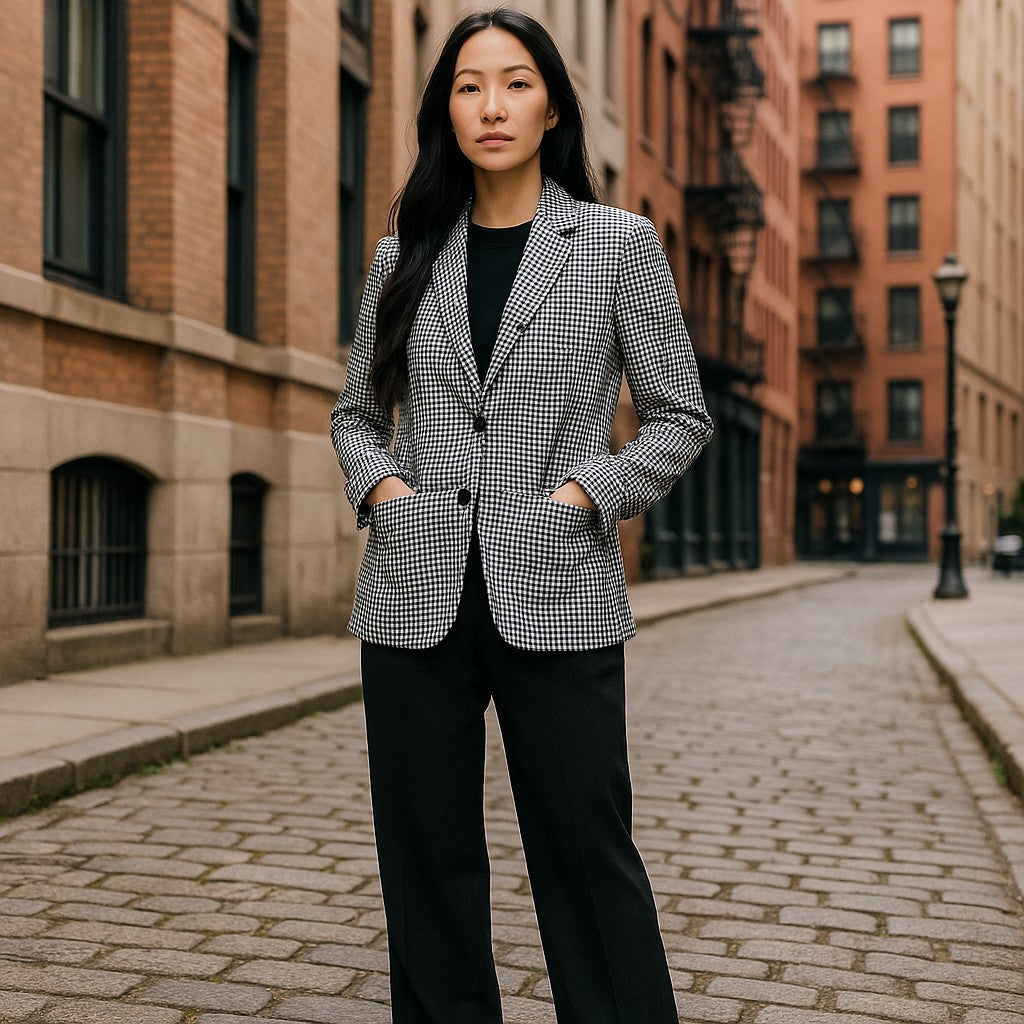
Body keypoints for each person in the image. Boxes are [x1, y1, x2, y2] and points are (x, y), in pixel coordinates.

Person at [330, 8, 713, 1023]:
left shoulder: (616, 244)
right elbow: (354, 413)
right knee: (424, 857)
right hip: (414, 590)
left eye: (512, 82)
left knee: (586, 853)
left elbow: (679, 416)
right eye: (466, 85)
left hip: (557, 583)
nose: (490, 104)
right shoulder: (404, 250)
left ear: (550, 105)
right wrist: (383, 491)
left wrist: (589, 493)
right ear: (444, 110)